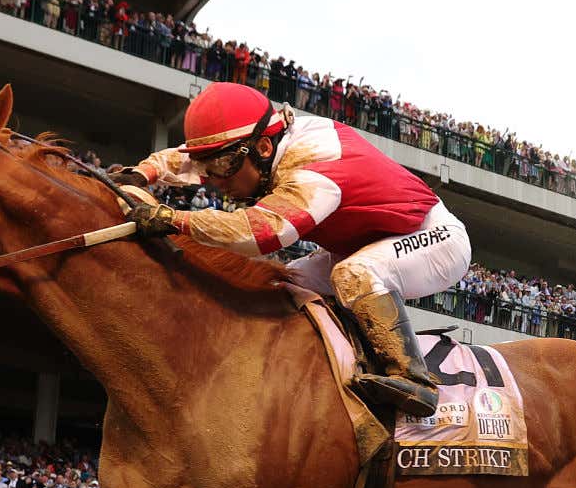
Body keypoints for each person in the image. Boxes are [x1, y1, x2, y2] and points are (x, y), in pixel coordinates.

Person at [115, 81, 469, 418]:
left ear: (263, 149)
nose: (216, 181)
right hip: (367, 242)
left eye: (222, 167)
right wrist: (142, 173)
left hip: (434, 236)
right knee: (279, 284)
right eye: (209, 167)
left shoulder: (313, 167)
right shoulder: (262, 143)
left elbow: (259, 234)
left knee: (354, 273)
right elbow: (188, 158)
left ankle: (412, 381)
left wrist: (174, 219)